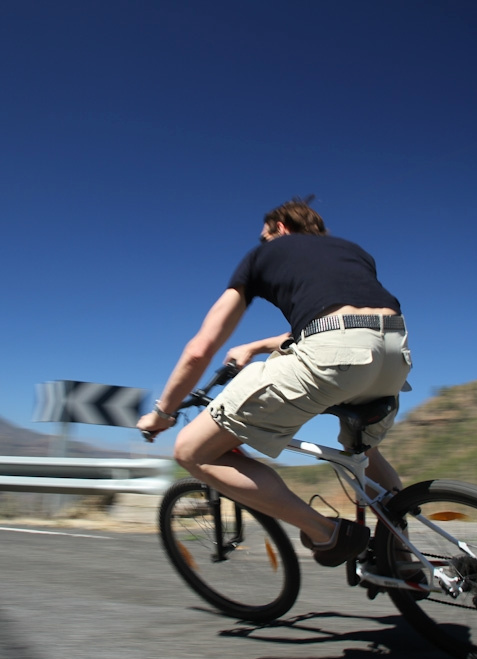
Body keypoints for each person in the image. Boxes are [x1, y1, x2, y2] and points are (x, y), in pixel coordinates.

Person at [137, 196, 412, 567]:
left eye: (264, 236)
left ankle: (328, 533)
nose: (263, 242)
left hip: (336, 353)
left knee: (191, 451)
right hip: (395, 355)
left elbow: (200, 349)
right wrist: (255, 346)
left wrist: (163, 412)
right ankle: (402, 557)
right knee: (365, 455)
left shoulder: (262, 255)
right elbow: (346, 324)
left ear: (280, 228)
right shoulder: (354, 252)